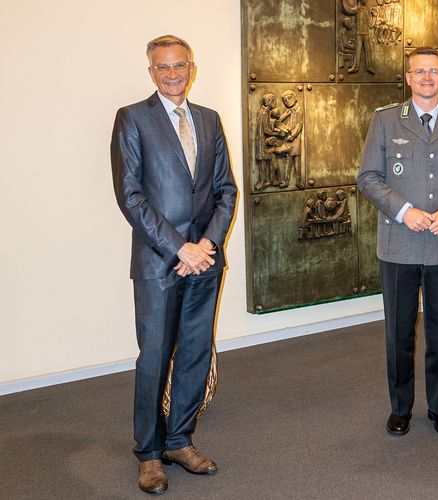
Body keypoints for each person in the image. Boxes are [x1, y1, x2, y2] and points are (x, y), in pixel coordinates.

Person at [111, 34, 237, 494]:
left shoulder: (208, 120)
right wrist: (178, 248)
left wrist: (205, 244)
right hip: (159, 262)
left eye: (179, 65)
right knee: (155, 358)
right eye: (162, 67)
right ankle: (148, 452)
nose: (171, 74)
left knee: (195, 354)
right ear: (151, 72)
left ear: (191, 68)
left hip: (205, 260)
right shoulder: (132, 119)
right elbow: (131, 195)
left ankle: (180, 440)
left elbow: (226, 191)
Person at [357, 47, 438, 436]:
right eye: (419, 71)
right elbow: (368, 177)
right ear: (408, 78)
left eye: (434, 71)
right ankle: (400, 407)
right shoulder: (385, 121)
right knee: (399, 332)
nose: (427, 77)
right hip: (398, 244)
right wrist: (404, 210)